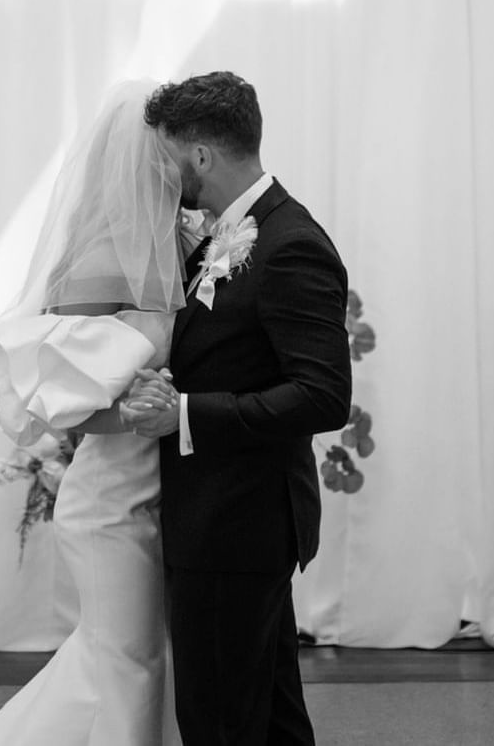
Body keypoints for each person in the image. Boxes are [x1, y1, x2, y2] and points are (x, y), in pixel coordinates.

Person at [124, 71, 352, 746]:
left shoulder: (290, 243)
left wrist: (187, 414)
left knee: (221, 720)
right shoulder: (230, 232)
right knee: (268, 715)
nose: (164, 171)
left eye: (168, 154)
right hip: (227, 522)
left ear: (200, 156)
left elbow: (323, 394)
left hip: (238, 521)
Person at [0, 79, 186, 746]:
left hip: (154, 493)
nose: (177, 169)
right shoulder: (93, 262)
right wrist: (141, 418)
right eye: (167, 155)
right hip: (109, 502)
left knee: (138, 657)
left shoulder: (172, 250)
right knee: (129, 659)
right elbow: (68, 406)